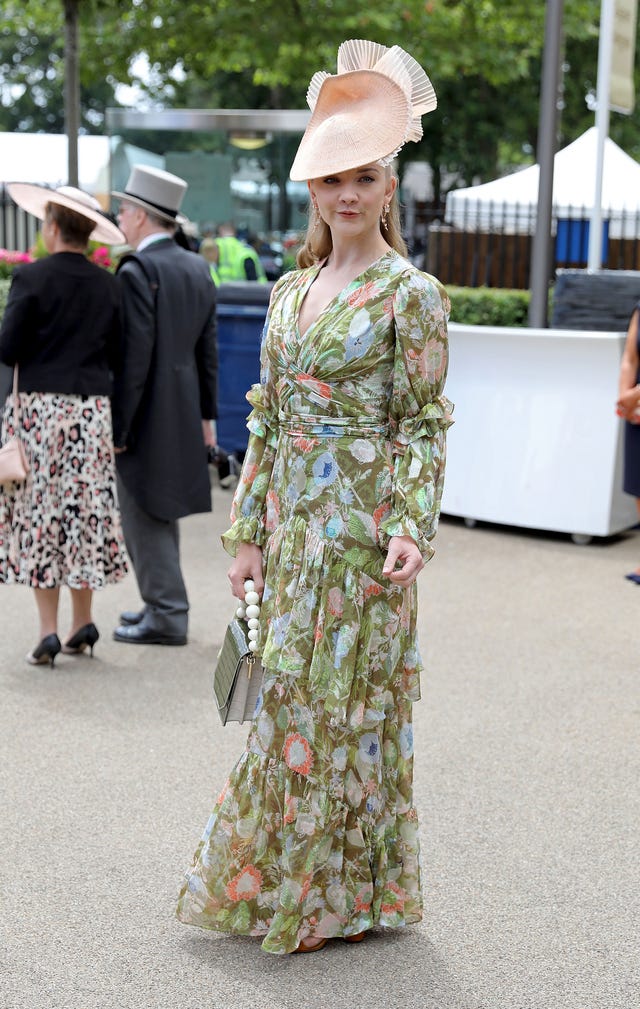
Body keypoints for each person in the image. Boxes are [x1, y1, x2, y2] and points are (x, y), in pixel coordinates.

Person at [176, 39, 453, 955]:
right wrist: (246, 530)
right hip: (293, 536)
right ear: (313, 187)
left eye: (364, 176)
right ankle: (293, 883)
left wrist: (413, 522)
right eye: (333, 175)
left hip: (364, 541)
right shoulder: (291, 292)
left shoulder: (411, 295)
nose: (348, 194)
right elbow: (265, 419)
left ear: (388, 187)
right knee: (290, 704)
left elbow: (421, 420)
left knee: (349, 710)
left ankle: (339, 894)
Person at [0, 184, 128, 666]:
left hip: (38, 413)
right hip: (90, 411)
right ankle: (83, 622)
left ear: (52, 227)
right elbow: (118, 354)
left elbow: (8, 347)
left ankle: (49, 632)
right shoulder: (108, 284)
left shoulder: (31, 279)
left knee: (41, 514)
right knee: (84, 513)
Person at [110, 166, 218, 646]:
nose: (118, 217)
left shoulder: (138, 270)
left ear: (138, 216)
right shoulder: (197, 266)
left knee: (141, 508)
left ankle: (167, 612)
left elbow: (132, 359)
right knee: (161, 507)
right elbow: (207, 352)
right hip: (183, 401)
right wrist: (207, 420)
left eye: (123, 210)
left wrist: (118, 428)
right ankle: (162, 604)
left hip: (148, 407)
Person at [616, 300, 640, 582]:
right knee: (638, 483)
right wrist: (625, 397)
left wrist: (633, 396)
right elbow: (630, 357)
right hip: (636, 407)